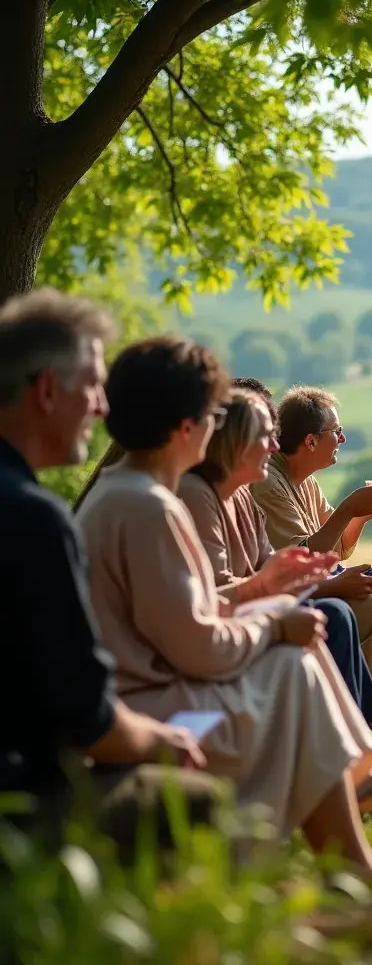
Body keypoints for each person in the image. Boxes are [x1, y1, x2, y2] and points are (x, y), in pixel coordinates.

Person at [75, 336, 372, 930]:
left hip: (159, 685)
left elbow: (195, 610)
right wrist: (272, 617)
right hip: (156, 705)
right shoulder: (149, 505)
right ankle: (332, 880)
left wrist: (257, 592)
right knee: (291, 659)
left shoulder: (140, 496)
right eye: (217, 416)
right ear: (187, 425)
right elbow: (198, 647)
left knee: (294, 656)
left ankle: (350, 878)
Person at [0, 290, 222, 854]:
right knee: (196, 798)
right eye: (93, 385)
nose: (102, 408)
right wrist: (163, 739)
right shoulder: (32, 517)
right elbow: (87, 719)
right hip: (19, 807)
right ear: (48, 390)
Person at [177, 389, 372, 813]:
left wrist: (360, 513)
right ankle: (366, 740)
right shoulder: (252, 487)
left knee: (363, 604)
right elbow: (292, 561)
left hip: (260, 606)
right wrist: (345, 516)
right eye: (265, 437)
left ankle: (367, 743)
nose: (271, 448)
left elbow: (325, 554)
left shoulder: (246, 492)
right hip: (232, 628)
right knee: (343, 612)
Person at [250, 385, 372, 737]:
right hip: (284, 595)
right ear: (310, 441)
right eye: (335, 432)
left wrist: (361, 516)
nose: (342, 438)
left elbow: (339, 549)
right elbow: (304, 557)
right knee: (370, 605)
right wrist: (349, 508)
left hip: (306, 585)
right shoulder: (268, 485)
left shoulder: (304, 481)